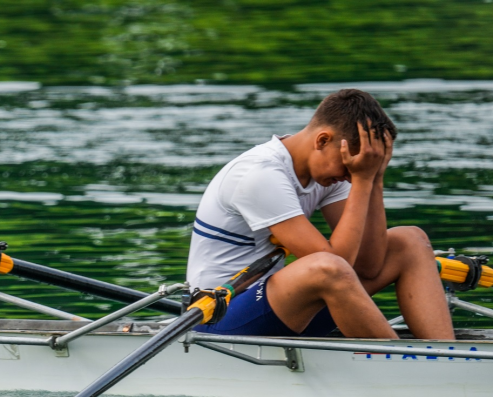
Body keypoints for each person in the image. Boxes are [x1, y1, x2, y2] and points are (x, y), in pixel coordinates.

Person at [186, 88, 453, 340]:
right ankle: (397, 364)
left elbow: (369, 266)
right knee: (327, 268)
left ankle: (446, 355)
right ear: (323, 140)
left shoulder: (330, 171)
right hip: (220, 317)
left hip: (282, 309)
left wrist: (375, 179)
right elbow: (335, 265)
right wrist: (362, 181)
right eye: (349, 167)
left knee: (410, 241)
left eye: (360, 168)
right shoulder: (260, 175)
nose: (350, 175)